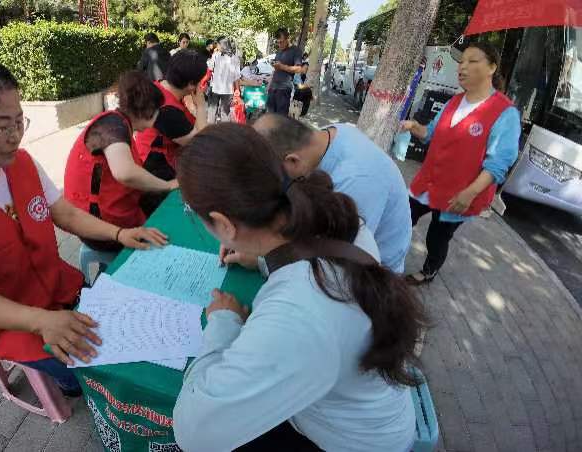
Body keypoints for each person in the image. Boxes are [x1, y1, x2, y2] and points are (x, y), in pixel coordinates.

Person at [0, 59, 166, 396]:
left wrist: (119, 234)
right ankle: (67, 382)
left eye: (19, 121)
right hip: (9, 320)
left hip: (57, 287)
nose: (15, 136)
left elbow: (65, 214)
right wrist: (42, 321)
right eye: (2, 126)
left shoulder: (22, 163)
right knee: (87, 374)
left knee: (124, 333)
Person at [172, 124, 426, 451]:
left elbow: (195, 434)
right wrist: (262, 259)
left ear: (223, 224)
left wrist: (222, 323)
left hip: (343, 442)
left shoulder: (298, 312)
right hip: (360, 412)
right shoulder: (335, 219)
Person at [400, 42, 520, 285]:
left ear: (491, 68)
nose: (462, 67)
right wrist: (414, 127)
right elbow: (431, 133)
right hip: (428, 182)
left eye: (472, 61)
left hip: (459, 194)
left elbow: (499, 163)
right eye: (461, 61)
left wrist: (470, 193)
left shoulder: (505, 113)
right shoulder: (453, 102)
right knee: (401, 218)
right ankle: (386, 256)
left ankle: (429, 271)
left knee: (437, 237)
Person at [252, 114, 411, 273]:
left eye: (277, 176)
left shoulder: (355, 181)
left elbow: (335, 261)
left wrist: (265, 261)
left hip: (374, 271)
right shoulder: (322, 138)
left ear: (293, 160)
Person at [64, 71, 178, 252]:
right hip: (99, 226)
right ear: (148, 111)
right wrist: (167, 185)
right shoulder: (113, 127)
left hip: (102, 211)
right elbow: (125, 173)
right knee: (168, 228)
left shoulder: (117, 122)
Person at [135, 49, 208, 212]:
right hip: (156, 172)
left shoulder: (159, 87)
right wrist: (201, 107)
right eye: (200, 82)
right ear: (191, 84)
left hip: (150, 162)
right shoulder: (167, 110)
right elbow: (200, 142)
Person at [268, 28, 305, 115]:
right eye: (277, 42)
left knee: (280, 118)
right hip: (273, 88)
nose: (279, 44)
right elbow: (276, 70)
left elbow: (299, 69)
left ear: (288, 38)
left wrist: (282, 66)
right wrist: (269, 84)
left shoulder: (296, 50)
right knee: (270, 117)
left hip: (284, 89)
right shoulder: (279, 52)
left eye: (281, 42)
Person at [207, 38, 242, 123]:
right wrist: (237, 89)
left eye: (218, 44)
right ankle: (224, 130)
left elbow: (210, 68)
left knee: (212, 112)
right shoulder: (235, 58)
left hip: (215, 88)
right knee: (225, 113)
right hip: (227, 90)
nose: (217, 46)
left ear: (222, 45)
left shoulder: (216, 55)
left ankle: (210, 129)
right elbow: (236, 77)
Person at [292, 52, 313, 117]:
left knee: (308, 91)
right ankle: (302, 112)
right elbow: (300, 86)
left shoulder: (303, 76)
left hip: (297, 91)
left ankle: (302, 111)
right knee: (307, 91)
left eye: (307, 69)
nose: (306, 70)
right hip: (293, 90)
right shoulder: (297, 74)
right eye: (305, 68)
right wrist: (308, 86)